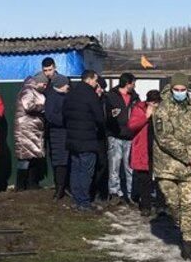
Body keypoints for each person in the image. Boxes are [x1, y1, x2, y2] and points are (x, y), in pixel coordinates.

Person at [152, 73, 191, 260]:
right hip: (167, 166)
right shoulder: (162, 110)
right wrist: (187, 156)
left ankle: (188, 242)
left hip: (189, 168)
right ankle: (182, 226)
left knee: (188, 203)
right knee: (173, 202)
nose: (180, 93)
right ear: (172, 89)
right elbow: (164, 139)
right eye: (177, 90)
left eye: (183, 90)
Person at [63, 70, 105, 211]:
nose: (96, 83)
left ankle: (77, 199)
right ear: (90, 79)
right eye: (95, 80)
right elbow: (99, 117)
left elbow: (64, 115)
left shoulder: (71, 94)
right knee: (86, 172)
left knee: (75, 169)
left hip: (72, 139)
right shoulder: (90, 95)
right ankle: (84, 202)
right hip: (87, 139)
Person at [105, 73, 140, 202]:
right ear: (128, 83)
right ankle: (114, 193)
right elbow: (106, 115)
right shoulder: (111, 96)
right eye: (133, 83)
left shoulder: (135, 98)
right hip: (115, 136)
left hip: (130, 137)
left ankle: (131, 194)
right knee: (114, 166)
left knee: (130, 167)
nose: (135, 85)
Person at [128, 90, 162, 216]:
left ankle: (161, 205)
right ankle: (146, 205)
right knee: (144, 179)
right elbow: (132, 126)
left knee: (160, 178)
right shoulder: (139, 109)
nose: (155, 106)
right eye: (152, 103)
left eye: (157, 103)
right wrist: (146, 117)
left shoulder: (162, 110)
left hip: (158, 148)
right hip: (144, 147)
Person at [14, 74, 48, 191]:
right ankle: (20, 185)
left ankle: (31, 183)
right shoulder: (28, 91)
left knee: (33, 157)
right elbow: (28, 106)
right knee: (25, 158)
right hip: (25, 129)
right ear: (37, 82)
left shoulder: (34, 90)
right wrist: (44, 107)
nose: (45, 86)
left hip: (33, 129)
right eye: (43, 84)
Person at [44, 75, 70, 199]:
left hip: (65, 132)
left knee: (65, 160)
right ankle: (60, 187)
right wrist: (65, 121)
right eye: (66, 85)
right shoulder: (52, 97)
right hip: (57, 133)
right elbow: (50, 116)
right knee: (60, 161)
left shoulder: (65, 96)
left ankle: (63, 186)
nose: (68, 87)